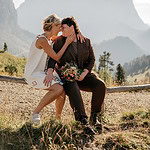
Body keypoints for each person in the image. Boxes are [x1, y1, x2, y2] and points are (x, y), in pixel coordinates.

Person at [47, 17, 106, 134]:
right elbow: (52, 58)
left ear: (72, 27)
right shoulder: (58, 41)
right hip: (67, 77)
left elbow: (91, 59)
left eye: (63, 28)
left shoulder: (85, 41)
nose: (61, 30)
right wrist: (50, 71)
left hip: (82, 75)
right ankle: (82, 121)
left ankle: (95, 118)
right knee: (72, 86)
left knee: (100, 85)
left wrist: (84, 73)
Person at [24, 14, 85, 124]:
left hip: (43, 72)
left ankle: (57, 120)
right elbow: (56, 57)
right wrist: (67, 43)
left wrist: (77, 32)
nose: (61, 30)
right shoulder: (42, 40)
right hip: (33, 73)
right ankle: (35, 113)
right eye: (59, 27)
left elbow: (68, 34)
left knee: (61, 91)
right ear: (53, 26)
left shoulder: (50, 39)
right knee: (58, 89)